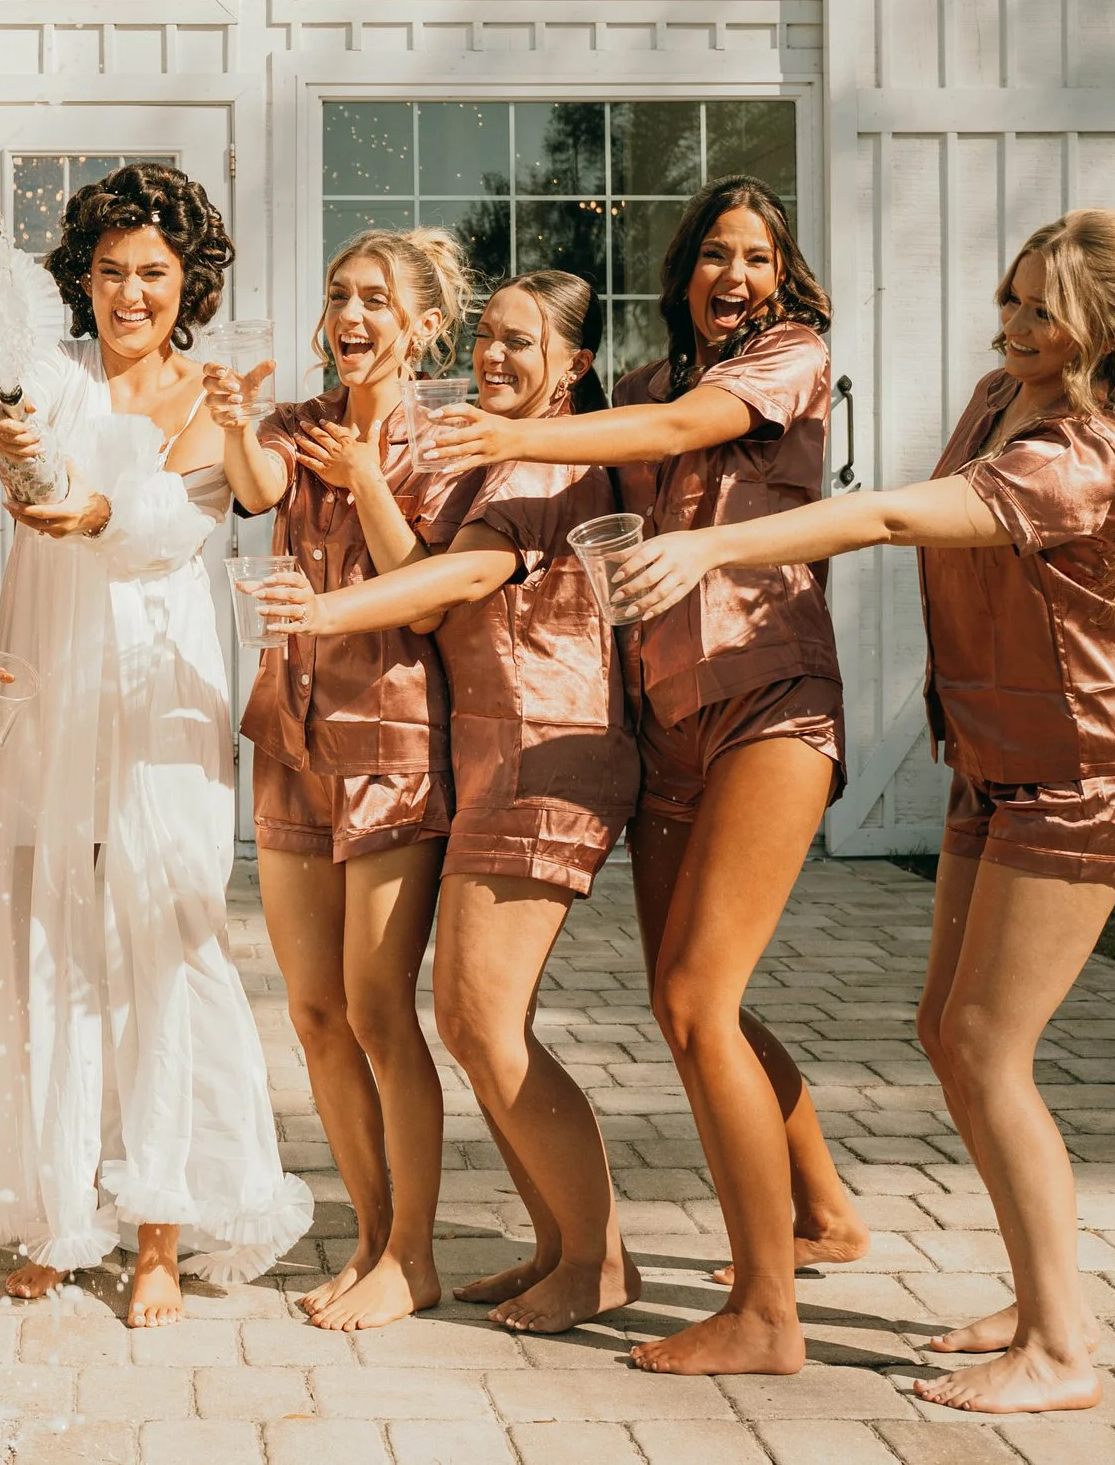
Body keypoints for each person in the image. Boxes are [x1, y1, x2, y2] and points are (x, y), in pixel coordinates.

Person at [610, 209, 1115, 1415]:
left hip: (1089, 762)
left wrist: (709, 552)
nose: (1016, 324)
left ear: (1110, 325)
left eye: (1044, 309)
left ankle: (1063, 1351)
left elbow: (880, 517)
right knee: (946, 1029)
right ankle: (1040, 1303)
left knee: (986, 1045)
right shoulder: (998, 394)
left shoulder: (1083, 450)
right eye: (1013, 296)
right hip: (999, 751)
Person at [423, 177, 865, 1377]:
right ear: (679, 276)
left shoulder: (788, 358)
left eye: (757, 256)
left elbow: (677, 438)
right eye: (713, 255)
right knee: (694, 999)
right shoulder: (635, 387)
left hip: (770, 697)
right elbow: (626, 442)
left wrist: (514, 429)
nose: (734, 275)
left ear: (784, 275)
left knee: (691, 1000)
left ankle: (766, 1316)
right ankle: (821, 1207)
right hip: (666, 716)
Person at [0, 163, 312, 1328]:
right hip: (55, 671)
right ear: (82, 276)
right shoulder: (54, 377)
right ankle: (62, 1214)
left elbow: (227, 509)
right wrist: (1, 430)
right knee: (49, 923)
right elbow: (15, 464)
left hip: (165, 687)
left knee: (168, 934)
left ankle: (161, 1224)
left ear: (186, 280)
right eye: (108, 271)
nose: (127, 293)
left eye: (151, 272)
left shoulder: (213, 391)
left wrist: (227, 427)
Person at [254, 271, 643, 1336]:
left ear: (574, 365)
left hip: (540, 743)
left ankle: (595, 1260)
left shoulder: (542, 456)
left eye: (522, 342)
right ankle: (562, 1247)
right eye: (488, 337)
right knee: (474, 1024)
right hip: (489, 750)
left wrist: (324, 605)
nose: (495, 355)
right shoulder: (492, 446)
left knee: (476, 1017)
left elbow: (454, 581)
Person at [203, 227, 465, 1331]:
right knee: (313, 1011)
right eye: (337, 294)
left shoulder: (446, 435)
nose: (350, 314)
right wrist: (227, 412)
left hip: (394, 743)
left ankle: (415, 1251)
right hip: (291, 742)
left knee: (376, 1007)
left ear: (421, 324)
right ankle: (367, 1235)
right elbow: (253, 487)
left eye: (374, 298)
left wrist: (365, 477)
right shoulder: (297, 424)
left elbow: (426, 591)